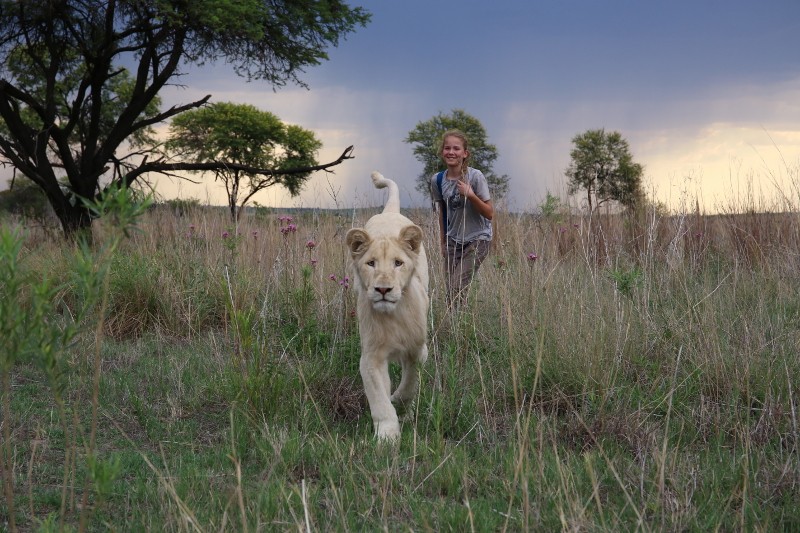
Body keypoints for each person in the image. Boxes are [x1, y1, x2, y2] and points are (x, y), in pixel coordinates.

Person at [430, 129, 493, 307]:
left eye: (456, 149)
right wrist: (443, 242)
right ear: (442, 152)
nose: (451, 152)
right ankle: (457, 331)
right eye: (447, 148)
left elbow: (489, 213)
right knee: (452, 291)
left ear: (465, 153)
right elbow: (442, 213)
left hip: (478, 239)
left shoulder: (475, 177)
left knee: (456, 286)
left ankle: (460, 329)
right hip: (453, 241)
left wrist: (471, 195)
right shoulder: (437, 180)